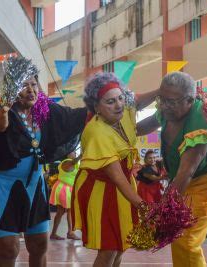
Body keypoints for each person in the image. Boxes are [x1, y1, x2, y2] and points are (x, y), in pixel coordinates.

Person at [0, 56, 88, 267]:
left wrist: (101, 103)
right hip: (4, 188)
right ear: (12, 88)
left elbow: (77, 116)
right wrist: (6, 106)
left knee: (39, 246)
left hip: (35, 187)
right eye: (24, 85)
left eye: (34, 84)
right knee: (9, 249)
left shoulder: (46, 110)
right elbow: (1, 126)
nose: (31, 90)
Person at [137, 72, 207, 266]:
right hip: (186, 176)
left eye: (170, 102)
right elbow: (139, 128)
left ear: (190, 100)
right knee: (180, 236)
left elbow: (186, 172)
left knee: (186, 236)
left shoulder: (200, 120)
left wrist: (163, 209)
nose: (164, 106)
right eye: (161, 99)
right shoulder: (168, 109)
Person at [72, 72, 159, 267]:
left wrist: (164, 91)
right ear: (96, 107)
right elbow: (117, 177)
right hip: (101, 190)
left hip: (124, 187)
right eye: (110, 102)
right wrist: (144, 207)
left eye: (120, 98)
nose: (118, 104)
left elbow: (138, 101)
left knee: (121, 245)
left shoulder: (124, 110)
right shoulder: (96, 132)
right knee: (109, 248)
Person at [49, 152, 80, 240]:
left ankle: (55, 233)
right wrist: (81, 155)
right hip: (64, 188)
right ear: (67, 155)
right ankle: (69, 232)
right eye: (72, 152)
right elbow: (73, 162)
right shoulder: (66, 162)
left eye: (74, 153)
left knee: (63, 212)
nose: (74, 154)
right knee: (66, 211)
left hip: (65, 188)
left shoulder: (74, 164)